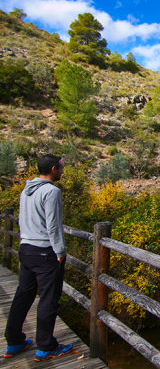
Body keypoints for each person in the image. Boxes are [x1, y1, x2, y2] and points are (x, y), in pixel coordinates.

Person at [3, 154, 73, 362]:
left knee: (22, 296)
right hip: (44, 252)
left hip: (26, 249)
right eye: (61, 168)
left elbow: (25, 219)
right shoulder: (52, 191)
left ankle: (14, 340)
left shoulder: (27, 190)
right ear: (53, 169)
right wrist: (60, 252)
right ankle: (46, 346)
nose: (62, 171)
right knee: (48, 300)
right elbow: (53, 225)